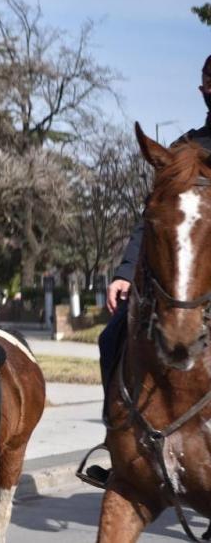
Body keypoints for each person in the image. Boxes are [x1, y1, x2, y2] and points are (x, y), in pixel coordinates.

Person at [85, 53, 211, 486]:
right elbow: (153, 219)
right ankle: (120, 448)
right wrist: (123, 271)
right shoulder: (184, 150)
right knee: (112, 336)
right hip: (184, 286)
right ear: (203, 90)